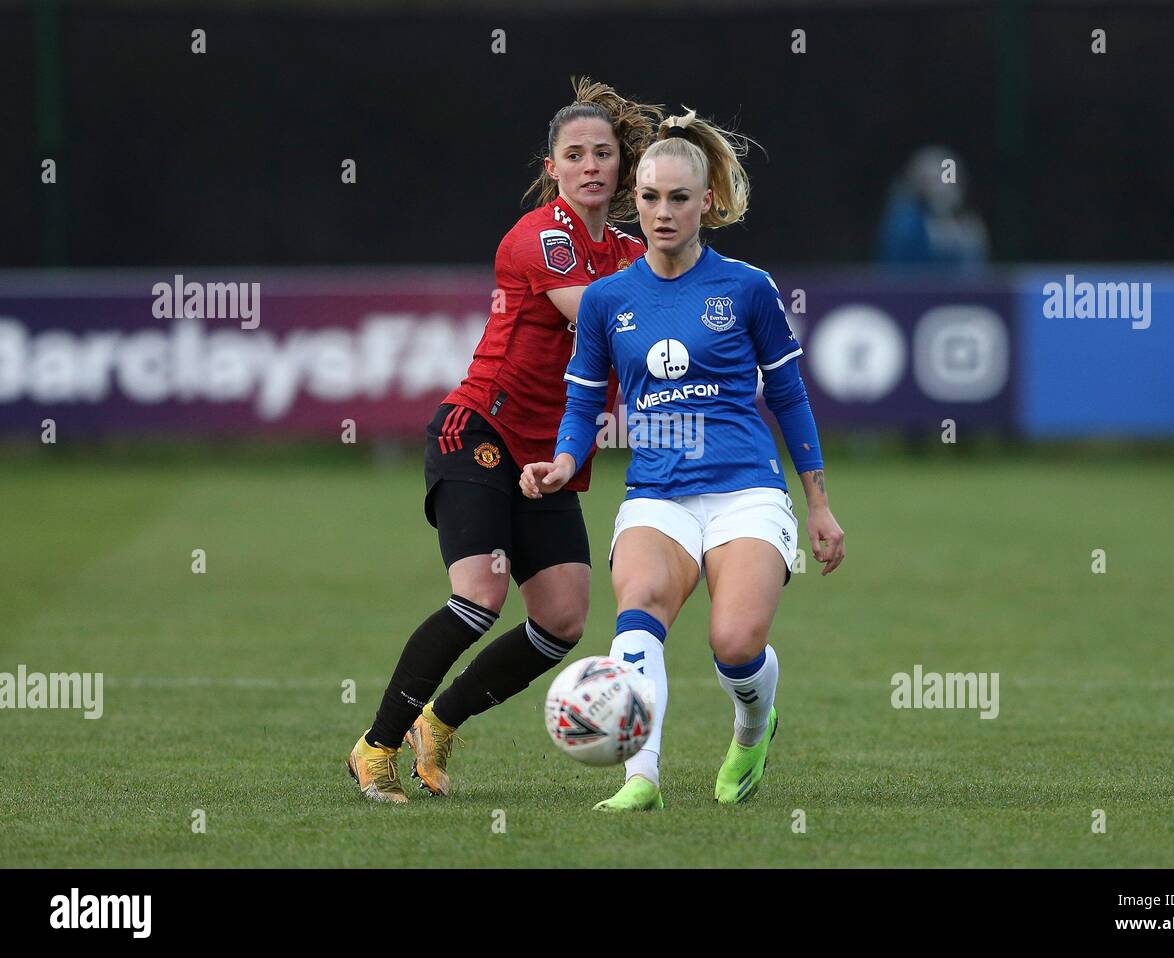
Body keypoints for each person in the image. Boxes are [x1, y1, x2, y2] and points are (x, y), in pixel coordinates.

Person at [520, 108, 846, 810]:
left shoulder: (747, 288)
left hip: (744, 491)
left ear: (707, 203)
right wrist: (562, 460)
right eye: (648, 197)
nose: (661, 212)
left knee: (733, 643)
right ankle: (643, 779)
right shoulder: (608, 300)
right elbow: (581, 402)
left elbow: (789, 395)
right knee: (635, 610)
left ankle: (754, 728)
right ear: (632, 200)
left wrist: (817, 503)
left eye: (677, 198)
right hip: (657, 493)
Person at [347, 78, 661, 803]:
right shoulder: (540, 237)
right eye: (574, 154)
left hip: (551, 456)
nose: (590, 166)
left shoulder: (625, 249)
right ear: (551, 167)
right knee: (479, 597)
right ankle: (375, 745)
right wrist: (676, 293)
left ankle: (441, 723)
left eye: (603, 154)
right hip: (480, 432)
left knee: (562, 620)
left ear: (620, 169)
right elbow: (597, 315)